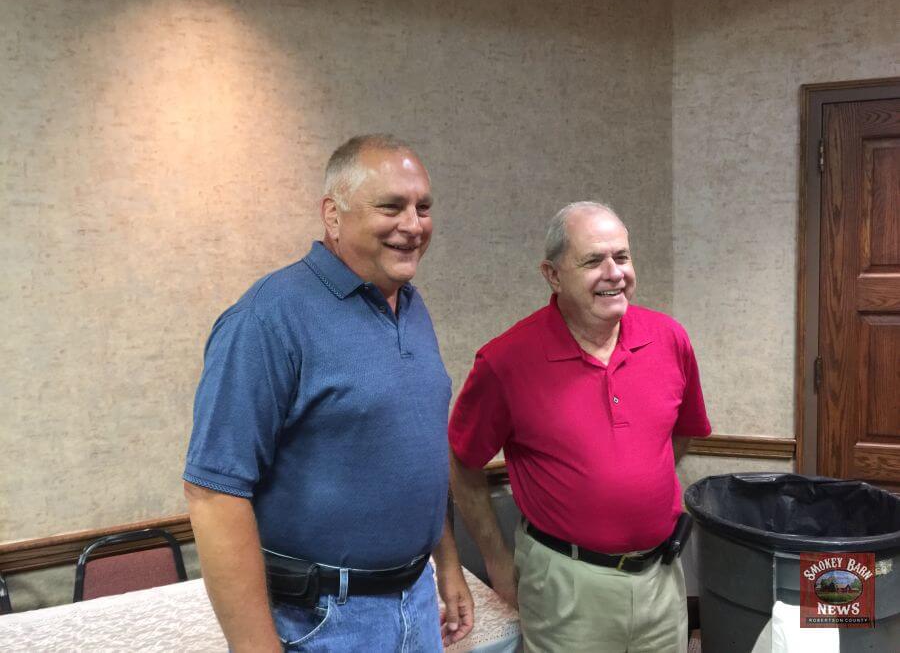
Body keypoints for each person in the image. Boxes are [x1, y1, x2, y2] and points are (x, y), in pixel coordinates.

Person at [183, 134, 473, 652]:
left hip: (417, 601)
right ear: (333, 215)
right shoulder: (267, 319)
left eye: (423, 207)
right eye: (391, 207)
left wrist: (447, 565)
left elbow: (416, 456)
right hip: (322, 621)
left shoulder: (409, 305)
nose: (413, 225)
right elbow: (214, 494)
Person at [448, 201, 711, 653]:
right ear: (553, 275)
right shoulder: (505, 361)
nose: (614, 273)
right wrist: (497, 561)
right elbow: (462, 462)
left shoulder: (669, 339)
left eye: (622, 257)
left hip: (661, 580)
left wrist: (628, 488)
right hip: (566, 588)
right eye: (593, 261)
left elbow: (678, 436)